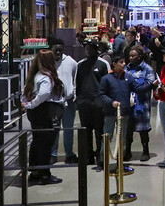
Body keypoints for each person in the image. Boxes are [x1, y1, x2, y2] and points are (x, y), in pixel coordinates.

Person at [21, 49, 66, 185]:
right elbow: (43, 94)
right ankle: (45, 174)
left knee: (37, 141)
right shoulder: (46, 77)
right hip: (45, 112)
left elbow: (25, 93)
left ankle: (35, 172)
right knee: (46, 143)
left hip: (38, 112)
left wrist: (28, 104)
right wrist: (31, 105)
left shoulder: (35, 75)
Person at [75, 40, 110, 165]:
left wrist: (105, 100)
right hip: (84, 102)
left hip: (98, 102)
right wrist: (78, 100)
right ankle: (88, 155)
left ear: (96, 49)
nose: (88, 50)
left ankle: (100, 156)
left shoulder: (103, 64)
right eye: (86, 48)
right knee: (86, 130)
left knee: (99, 130)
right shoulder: (80, 64)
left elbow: (108, 82)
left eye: (90, 48)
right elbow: (77, 83)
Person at [96, 53, 132, 170]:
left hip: (124, 113)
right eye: (121, 62)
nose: (124, 64)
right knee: (107, 136)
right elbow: (101, 94)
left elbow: (138, 88)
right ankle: (102, 161)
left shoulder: (128, 77)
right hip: (110, 113)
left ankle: (120, 162)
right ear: (114, 64)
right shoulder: (106, 78)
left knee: (122, 138)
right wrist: (111, 102)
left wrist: (151, 85)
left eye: (124, 62)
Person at [48, 36, 78, 164]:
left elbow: (76, 80)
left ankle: (69, 153)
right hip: (53, 102)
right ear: (50, 50)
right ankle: (53, 154)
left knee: (68, 129)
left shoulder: (71, 62)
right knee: (54, 130)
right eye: (56, 50)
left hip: (68, 101)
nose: (58, 53)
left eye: (60, 50)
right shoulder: (46, 63)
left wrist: (73, 94)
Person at [125, 45, 156, 161]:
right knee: (128, 129)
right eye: (130, 56)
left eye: (133, 56)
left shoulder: (147, 69)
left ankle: (145, 151)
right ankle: (127, 150)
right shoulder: (126, 68)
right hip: (128, 103)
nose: (131, 58)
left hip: (142, 103)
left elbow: (150, 83)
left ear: (140, 56)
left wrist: (136, 86)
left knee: (143, 129)